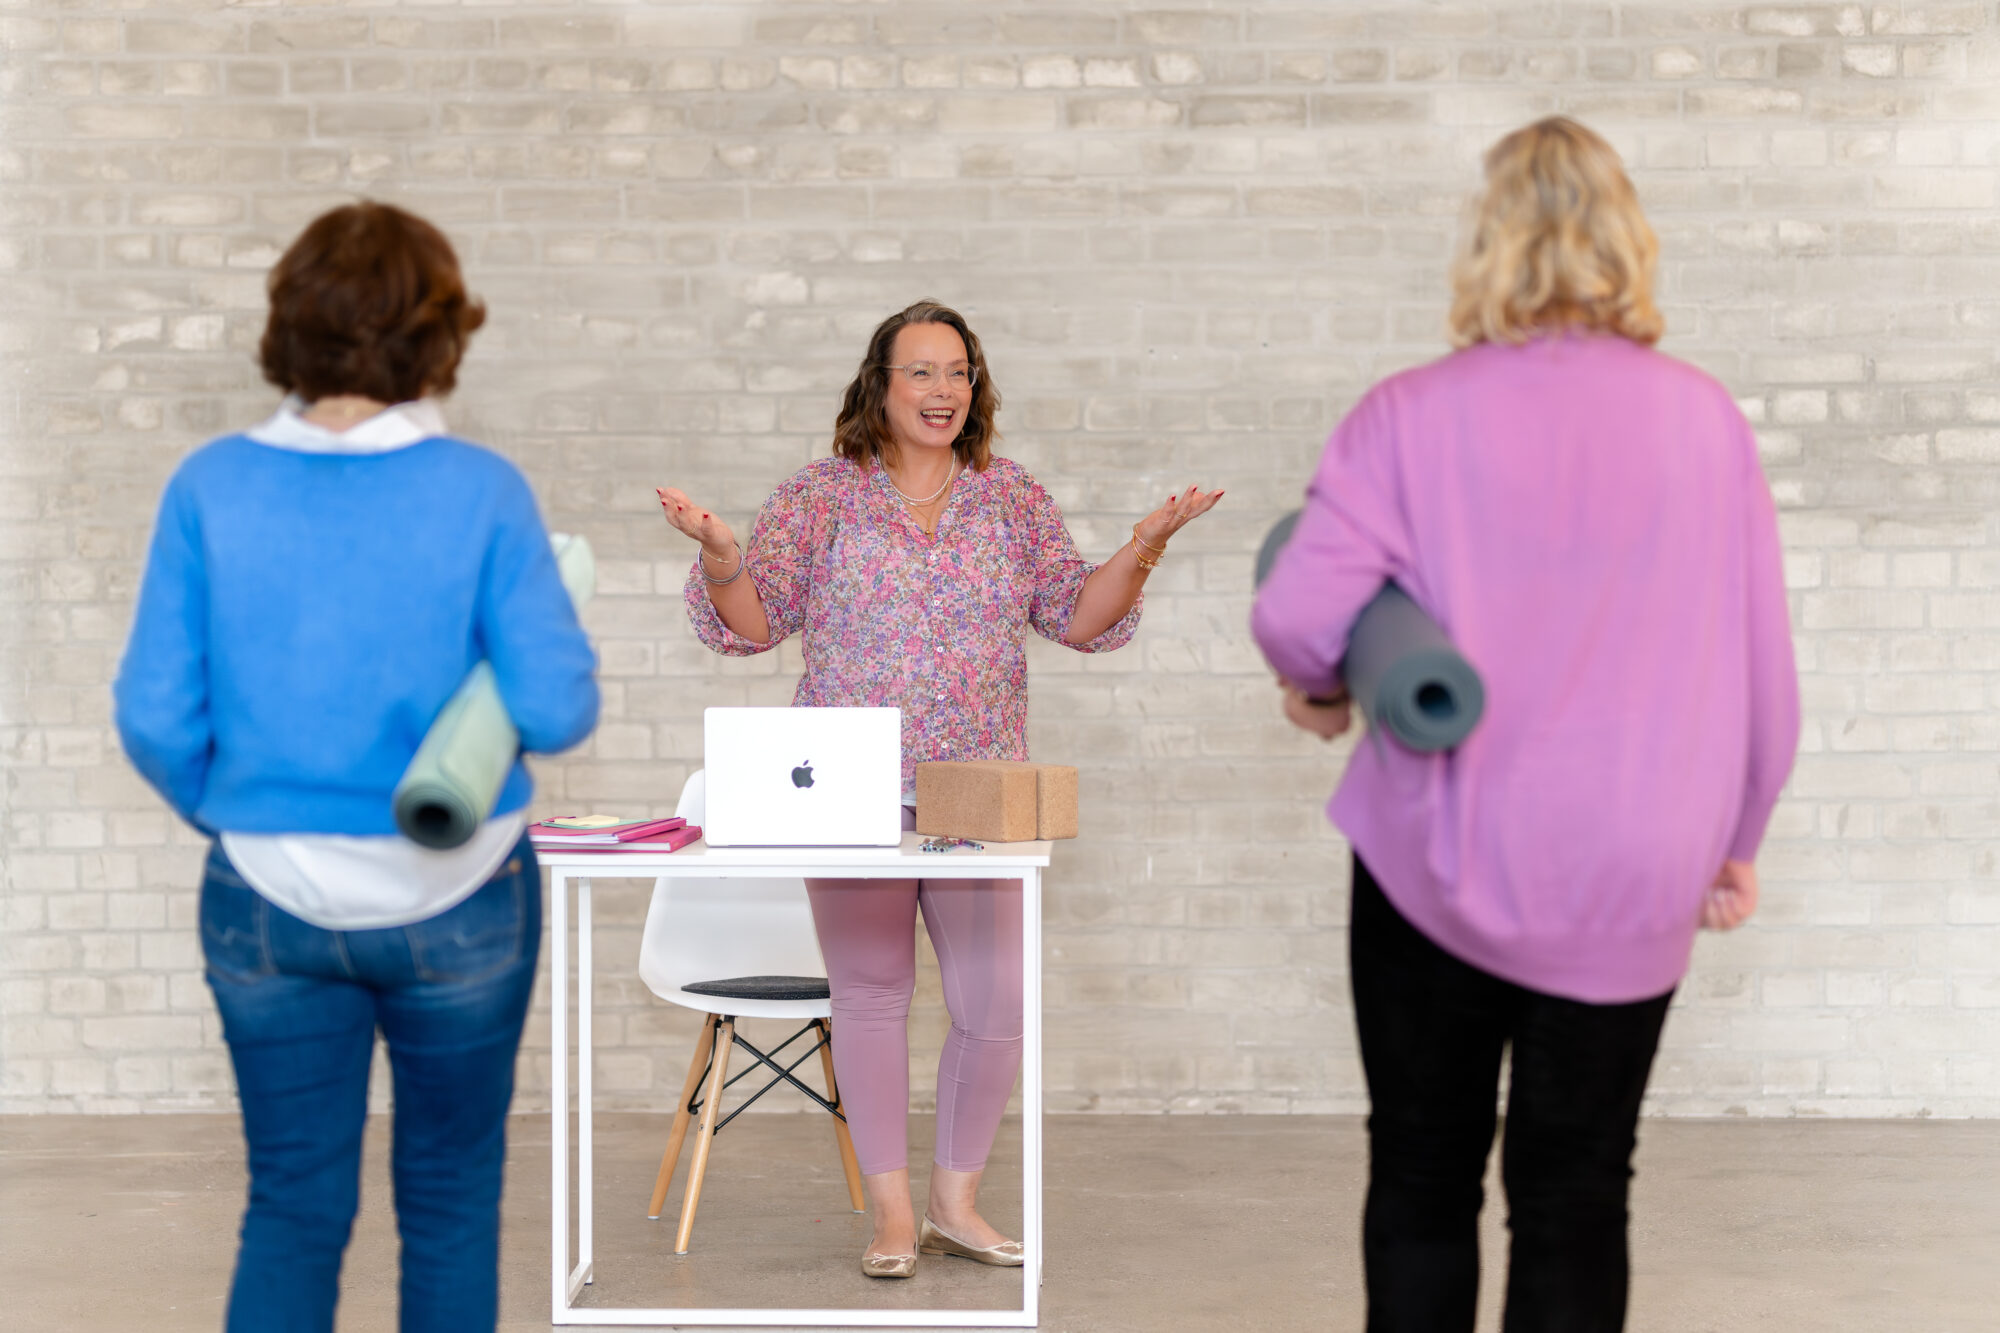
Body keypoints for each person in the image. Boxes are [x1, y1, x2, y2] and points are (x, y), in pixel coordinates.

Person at [1251, 117, 1800, 1332]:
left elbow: (1297, 615)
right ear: (1627, 239)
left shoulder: (1405, 414)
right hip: (1636, 859)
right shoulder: (1704, 420)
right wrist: (1735, 836)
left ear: (1487, 240)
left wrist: (1325, 687)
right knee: (1575, 1194)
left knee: (1420, 1178)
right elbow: (1765, 672)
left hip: (1435, 859)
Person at [113, 201, 598, 1333]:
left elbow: (151, 714)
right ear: (439, 338)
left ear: (291, 325)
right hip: (461, 897)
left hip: (266, 897)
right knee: (448, 1204)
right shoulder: (480, 491)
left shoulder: (209, 486)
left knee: (289, 1206)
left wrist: (242, 815)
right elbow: (558, 705)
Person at [661, 300, 1221, 1277]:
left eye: (957, 371)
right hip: (845, 790)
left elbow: (1077, 616)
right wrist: (720, 557)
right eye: (920, 371)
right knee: (871, 996)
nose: (942, 390)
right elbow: (754, 624)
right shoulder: (819, 497)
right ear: (878, 386)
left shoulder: (1010, 499)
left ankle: (953, 1204)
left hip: (975, 792)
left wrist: (1146, 544)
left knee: (993, 1001)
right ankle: (888, 1217)